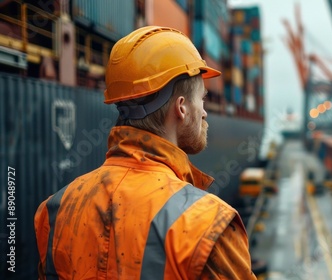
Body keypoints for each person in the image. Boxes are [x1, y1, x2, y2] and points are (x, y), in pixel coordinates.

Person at [34, 26, 256, 279]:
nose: (204, 112)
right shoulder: (210, 225)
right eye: (201, 99)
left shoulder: (53, 210)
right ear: (181, 108)